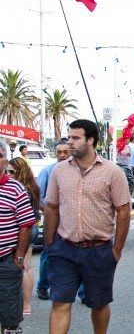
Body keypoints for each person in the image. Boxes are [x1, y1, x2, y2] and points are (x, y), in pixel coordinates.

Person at [45, 119, 131, 333]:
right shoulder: (59, 171)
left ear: (90, 140)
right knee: (60, 302)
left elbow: (123, 211)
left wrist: (116, 250)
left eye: (76, 138)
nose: (70, 142)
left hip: (99, 250)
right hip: (64, 249)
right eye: (69, 137)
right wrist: (50, 246)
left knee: (98, 303)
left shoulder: (112, 172)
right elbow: (51, 208)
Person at [0, 142, 36, 334]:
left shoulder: (16, 189)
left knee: (10, 317)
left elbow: (26, 224)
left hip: (6, 260)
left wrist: (19, 257)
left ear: (5, 160)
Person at [36, 139, 71, 301]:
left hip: (73, 223)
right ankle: (43, 286)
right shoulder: (47, 172)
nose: (63, 155)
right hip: (53, 222)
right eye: (59, 152)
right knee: (48, 253)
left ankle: (84, 293)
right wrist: (51, 215)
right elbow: (39, 198)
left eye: (66, 152)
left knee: (79, 255)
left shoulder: (78, 172)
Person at [7, 157, 40, 316]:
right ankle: (25, 304)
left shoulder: (21, 189)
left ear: (20, 171)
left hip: (26, 229)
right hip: (32, 228)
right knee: (26, 266)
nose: (9, 174)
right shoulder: (32, 186)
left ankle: (26, 305)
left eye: (12, 172)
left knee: (25, 266)